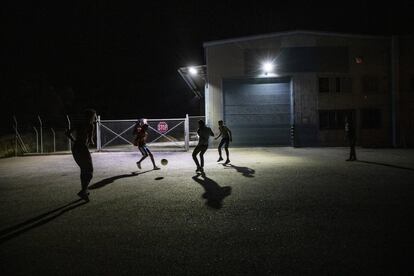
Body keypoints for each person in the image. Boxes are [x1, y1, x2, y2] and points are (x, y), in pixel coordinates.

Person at [66, 109, 96, 201]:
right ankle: (83, 190)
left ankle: (84, 190)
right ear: (91, 116)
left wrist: (74, 140)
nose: (94, 118)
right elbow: (91, 141)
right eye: (94, 116)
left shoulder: (79, 124)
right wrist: (91, 140)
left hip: (75, 148)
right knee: (89, 170)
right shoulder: (90, 125)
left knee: (83, 169)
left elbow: (67, 133)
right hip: (82, 148)